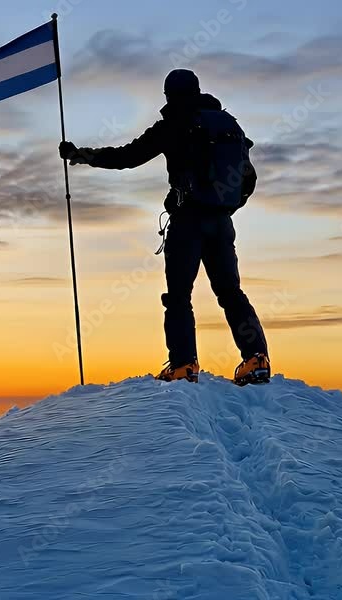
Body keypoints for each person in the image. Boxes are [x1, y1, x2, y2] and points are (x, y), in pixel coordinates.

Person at [59, 69, 270, 385]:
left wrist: (83, 156)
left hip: (187, 222)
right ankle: (256, 358)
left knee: (179, 295)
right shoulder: (229, 126)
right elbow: (248, 178)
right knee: (230, 292)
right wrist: (225, 208)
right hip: (222, 222)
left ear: (169, 95)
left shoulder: (173, 124)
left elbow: (128, 156)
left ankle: (184, 365)